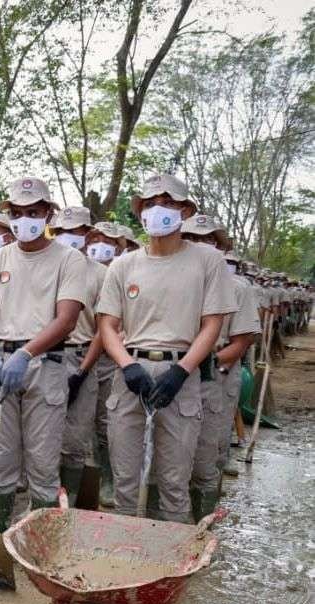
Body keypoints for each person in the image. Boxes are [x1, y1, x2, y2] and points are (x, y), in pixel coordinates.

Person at [97, 173, 236, 522]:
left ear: (185, 210)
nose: (159, 209)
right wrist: (127, 365)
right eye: (151, 203)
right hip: (131, 373)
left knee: (174, 480)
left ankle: (171, 564)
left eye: (169, 203)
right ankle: (126, 557)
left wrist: (182, 370)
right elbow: (108, 325)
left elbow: (212, 324)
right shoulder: (123, 264)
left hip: (180, 373)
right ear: (141, 211)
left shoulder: (207, 261)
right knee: (126, 479)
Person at [0, 177, 85, 529]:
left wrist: (26, 353)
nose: (24, 220)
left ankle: (41, 539)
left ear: (48, 214)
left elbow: (66, 320)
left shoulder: (69, 259)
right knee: (0, 460)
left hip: (45, 365)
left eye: (33, 212)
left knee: (42, 461)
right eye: (17, 213)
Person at [181, 215, 258, 520]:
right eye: (193, 239)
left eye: (208, 240)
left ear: (219, 247)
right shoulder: (169, 279)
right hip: (175, 373)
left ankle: (202, 524)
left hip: (215, 373)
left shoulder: (238, 288)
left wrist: (209, 362)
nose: (200, 246)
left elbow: (242, 341)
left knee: (206, 453)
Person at [49, 206, 105, 499]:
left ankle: (67, 500)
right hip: (48, 357)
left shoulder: (102, 274)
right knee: (42, 438)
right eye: (62, 232)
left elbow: (104, 329)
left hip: (83, 356)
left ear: (89, 235)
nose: (68, 237)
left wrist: (82, 371)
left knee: (74, 440)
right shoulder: (48, 265)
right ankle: (42, 502)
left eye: (76, 232)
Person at [83, 222, 128, 507]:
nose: (101, 244)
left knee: (105, 424)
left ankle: (109, 480)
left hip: (110, 360)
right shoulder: (78, 269)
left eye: (108, 240)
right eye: (97, 238)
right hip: (77, 354)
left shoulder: (123, 273)